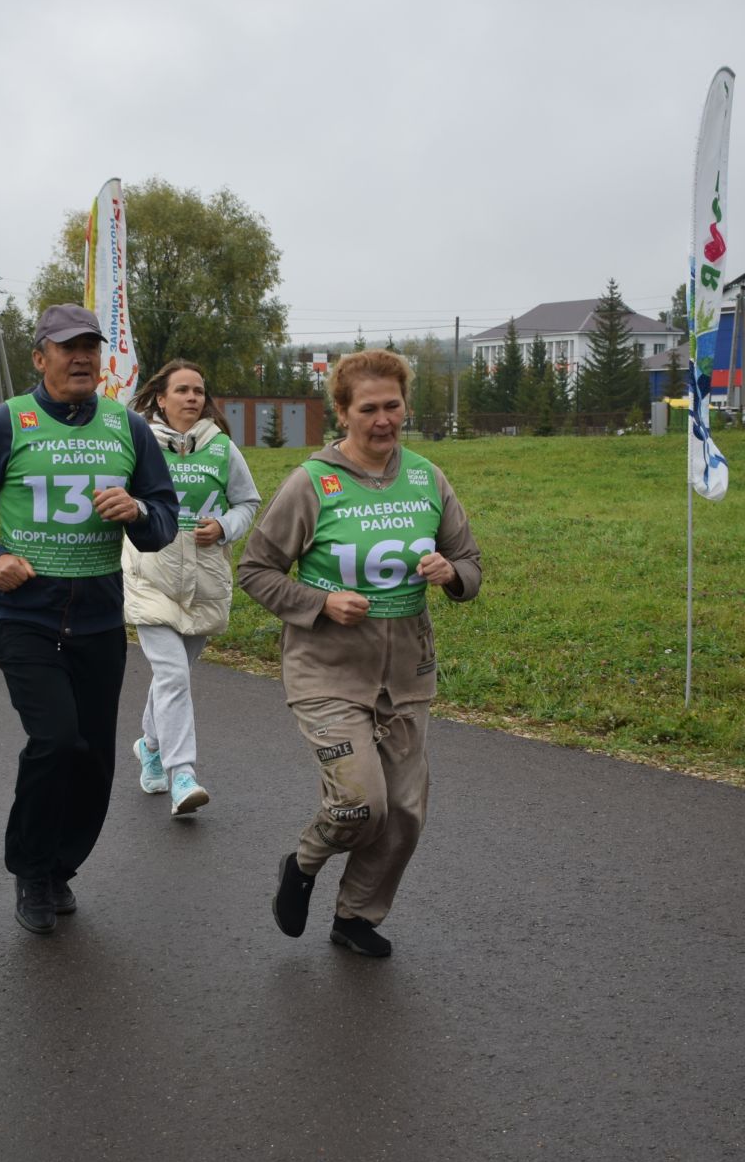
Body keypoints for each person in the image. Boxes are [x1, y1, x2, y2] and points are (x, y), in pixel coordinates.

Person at [0, 304, 178, 937]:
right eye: (67, 348)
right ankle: (31, 870)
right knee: (55, 739)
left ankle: (61, 867)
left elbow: (163, 521)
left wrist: (137, 513)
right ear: (39, 357)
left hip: (98, 615)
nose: (81, 359)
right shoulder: (4, 424)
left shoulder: (129, 428)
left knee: (95, 756)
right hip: (27, 614)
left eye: (91, 348)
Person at [239, 349, 483, 959]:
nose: (383, 420)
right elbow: (257, 570)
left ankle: (356, 916)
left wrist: (450, 572)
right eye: (367, 408)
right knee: (358, 804)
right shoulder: (312, 483)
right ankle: (303, 861)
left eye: (392, 406)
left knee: (402, 812)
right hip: (327, 670)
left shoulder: (428, 478)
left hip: (407, 673)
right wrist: (321, 602)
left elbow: (472, 566)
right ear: (341, 413)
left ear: (406, 405)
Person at [122, 358, 262, 817]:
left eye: (198, 391)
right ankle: (184, 774)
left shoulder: (221, 448)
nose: (192, 398)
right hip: (151, 574)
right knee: (174, 676)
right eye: (182, 390)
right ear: (161, 398)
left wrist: (223, 527)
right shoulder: (138, 442)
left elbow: (247, 501)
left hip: (205, 579)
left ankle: (151, 745)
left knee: (173, 675)